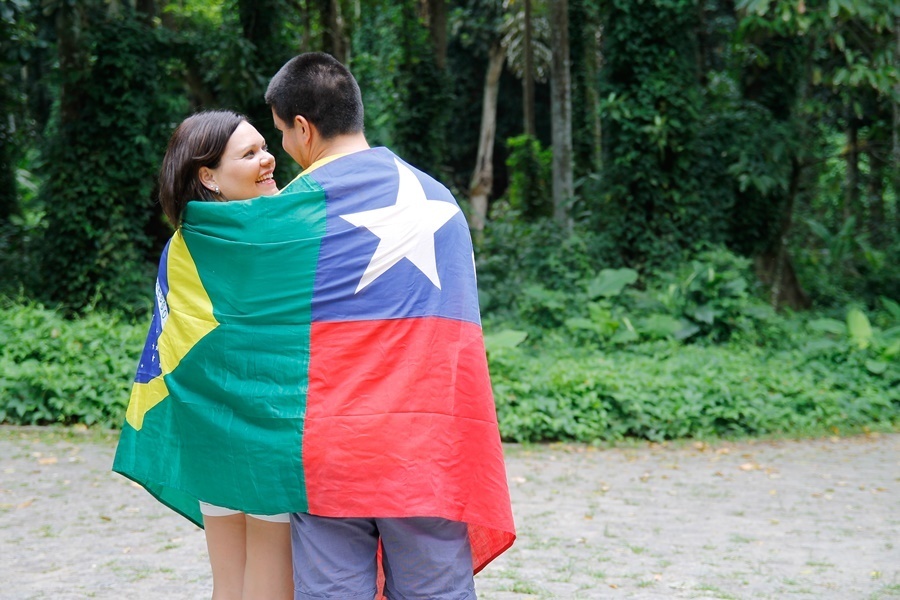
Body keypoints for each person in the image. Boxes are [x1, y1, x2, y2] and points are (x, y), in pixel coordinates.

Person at [264, 52, 516, 600]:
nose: (282, 149)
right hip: (427, 447)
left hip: (329, 449)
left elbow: (265, 336)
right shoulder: (439, 201)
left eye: (281, 133)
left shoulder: (290, 211)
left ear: (303, 128)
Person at [113, 110, 292, 600]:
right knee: (272, 577)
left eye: (263, 146)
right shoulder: (277, 236)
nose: (267, 158)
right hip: (267, 431)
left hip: (206, 429)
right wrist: (280, 210)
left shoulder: (183, 243)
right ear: (207, 176)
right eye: (249, 153)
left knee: (229, 580)